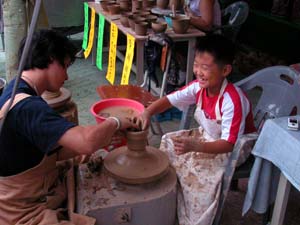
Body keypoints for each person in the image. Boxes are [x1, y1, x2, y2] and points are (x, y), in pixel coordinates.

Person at [0, 29, 138, 225]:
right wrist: (114, 122)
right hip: (20, 209)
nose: (66, 76)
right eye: (65, 66)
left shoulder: (16, 88)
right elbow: (86, 142)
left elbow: (49, 151)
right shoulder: (28, 107)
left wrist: (103, 139)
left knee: (88, 156)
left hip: (26, 187)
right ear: (50, 59)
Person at [135, 34, 256, 225]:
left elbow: (229, 143)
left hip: (234, 148)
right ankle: (173, 201)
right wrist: (147, 113)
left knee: (196, 174)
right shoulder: (199, 87)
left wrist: (196, 146)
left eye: (205, 67)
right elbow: (170, 100)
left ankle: (192, 219)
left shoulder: (232, 100)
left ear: (225, 70)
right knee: (168, 140)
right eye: (196, 65)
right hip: (207, 137)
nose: (198, 72)